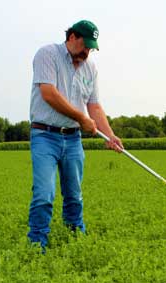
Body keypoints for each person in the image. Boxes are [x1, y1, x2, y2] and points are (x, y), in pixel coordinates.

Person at [27, 20, 123, 253]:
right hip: (44, 135)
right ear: (71, 37)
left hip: (72, 139)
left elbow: (95, 106)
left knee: (74, 195)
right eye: (84, 45)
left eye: (91, 48)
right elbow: (49, 94)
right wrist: (81, 118)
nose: (87, 52)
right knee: (44, 194)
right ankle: (36, 245)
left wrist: (109, 135)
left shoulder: (90, 67)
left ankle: (76, 239)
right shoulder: (47, 54)